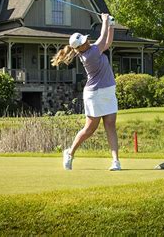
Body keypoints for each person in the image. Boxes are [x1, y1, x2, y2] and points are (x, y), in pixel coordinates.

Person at [51, 13, 120, 171]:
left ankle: (116, 161)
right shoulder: (90, 55)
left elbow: (107, 42)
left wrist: (112, 26)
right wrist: (104, 21)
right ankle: (70, 152)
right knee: (90, 129)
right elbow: (103, 38)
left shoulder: (93, 49)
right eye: (83, 42)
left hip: (108, 90)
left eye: (85, 39)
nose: (86, 41)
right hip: (94, 93)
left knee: (110, 125)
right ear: (78, 49)